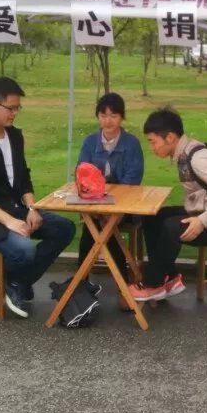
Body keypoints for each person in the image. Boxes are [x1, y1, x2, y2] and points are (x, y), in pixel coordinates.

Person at [0, 77, 76, 319]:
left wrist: (32, 208)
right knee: (24, 250)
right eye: (10, 108)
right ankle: (17, 282)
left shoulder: (14, 136)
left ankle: (16, 282)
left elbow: (23, 177)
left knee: (64, 228)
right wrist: (9, 222)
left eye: (17, 108)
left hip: (13, 208)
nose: (15, 113)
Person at [131, 107, 207, 301]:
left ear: (170, 138)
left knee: (171, 227)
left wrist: (202, 221)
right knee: (153, 218)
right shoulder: (185, 153)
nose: (152, 148)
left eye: (153, 141)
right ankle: (169, 278)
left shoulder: (199, 159)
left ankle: (152, 284)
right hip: (202, 213)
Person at [76, 93, 145, 308]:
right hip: (94, 204)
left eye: (113, 116)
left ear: (121, 117)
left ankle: (80, 286)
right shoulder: (90, 142)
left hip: (125, 207)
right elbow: (82, 174)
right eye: (103, 115)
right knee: (96, 225)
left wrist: (112, 209)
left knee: (102, 227)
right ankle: (121, 287)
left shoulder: (131, 143)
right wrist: (98, 206)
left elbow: (132, 180)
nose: (108, 121)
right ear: (98, 116)